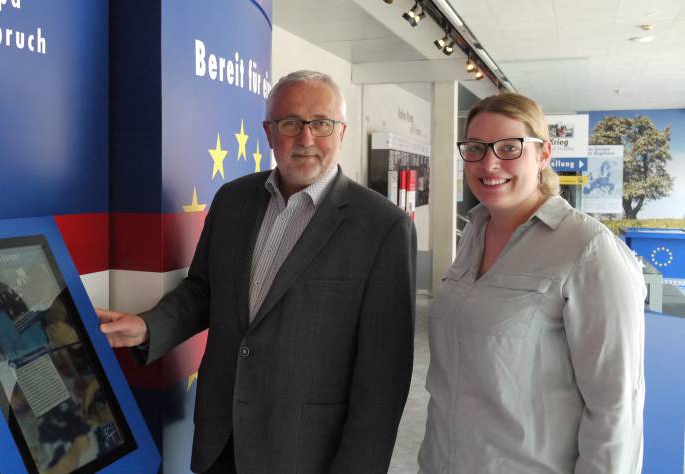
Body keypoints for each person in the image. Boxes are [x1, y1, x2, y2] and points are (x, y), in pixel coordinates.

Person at [97, 70, 417, 473]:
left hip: (303, 452)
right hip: (221, 437)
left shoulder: (382, 227)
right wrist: (148, 327)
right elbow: (202, 291)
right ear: (269, 132)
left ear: (341, 132)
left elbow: (383, 377)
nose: (305, 139)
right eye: (290, 123)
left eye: (321, 123)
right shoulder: (232, 200)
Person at [418, 92, 645, 473]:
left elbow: (616, 407)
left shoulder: (588, 250)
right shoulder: (475, 231)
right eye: (475, 148)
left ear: (543, 154)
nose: (489, 162)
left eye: (510, 147)